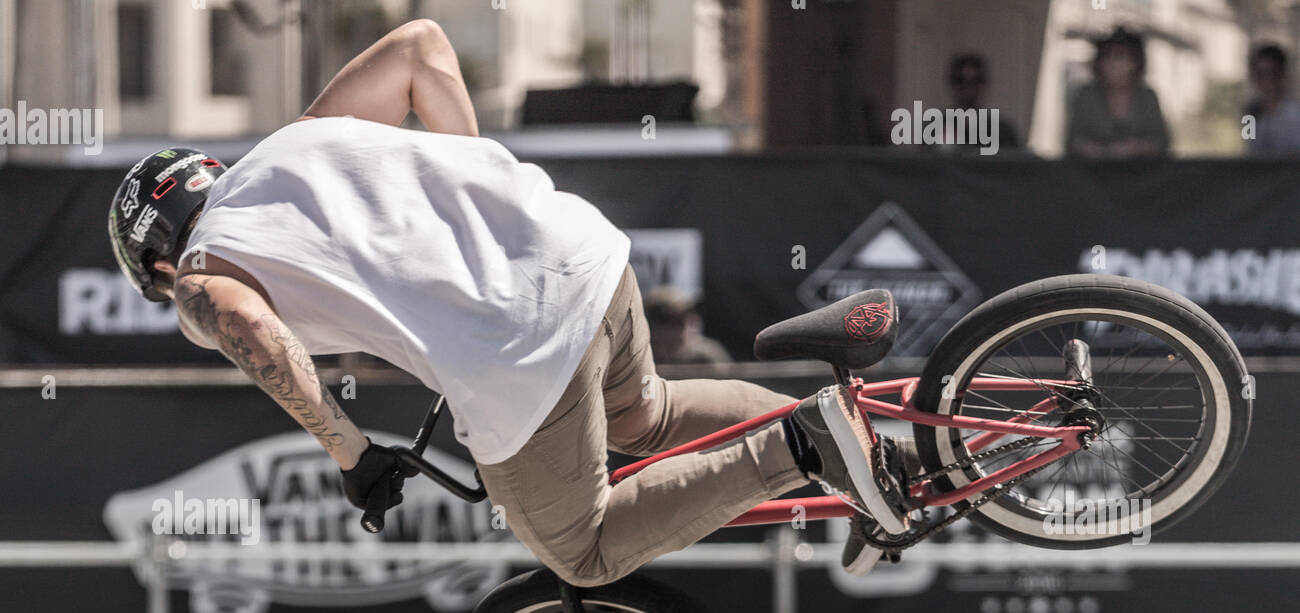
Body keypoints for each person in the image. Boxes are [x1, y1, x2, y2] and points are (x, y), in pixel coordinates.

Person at [107, 21, 910, 578]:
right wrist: (482, 194)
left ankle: (803, 446)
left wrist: (351, 454)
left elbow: (249, 328)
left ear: (160, 259)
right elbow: (422, 46)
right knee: (646, 416)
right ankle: (871, 448)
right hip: (581, 250)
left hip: (517, 349)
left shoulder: (204, 274)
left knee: (582, 550)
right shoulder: (301, 137)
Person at [1066, 25, 1169, 159]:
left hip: (1141, 173)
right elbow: (1072, 141)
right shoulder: (1086, 95)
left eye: (1121, 56)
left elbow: (1162, 143)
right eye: (1107, 56)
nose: (1114, 64)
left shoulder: (1147, 97)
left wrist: (1136, 147)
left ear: (1135, 62)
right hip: (1092, 173)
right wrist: (1091, 149)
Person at [641, 286, 733, 365]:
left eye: (686, 320)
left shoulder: (704, 359)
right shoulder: (633, 359)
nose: (684, 328)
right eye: (671, 322)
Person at [947, 53, 1020, 151]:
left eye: (975, 81)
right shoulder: (937, 128)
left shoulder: (1002, 132)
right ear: (953, 84)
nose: (968, 89)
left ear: (983, 84)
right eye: (961, 81)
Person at [1244, 43, 1300, 157]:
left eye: (1270, 73)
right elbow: (1250, 152)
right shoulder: (1250, 114)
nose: (1265, 81)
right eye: (1259, 74)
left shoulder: (1295, 113)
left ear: (1282, 74)